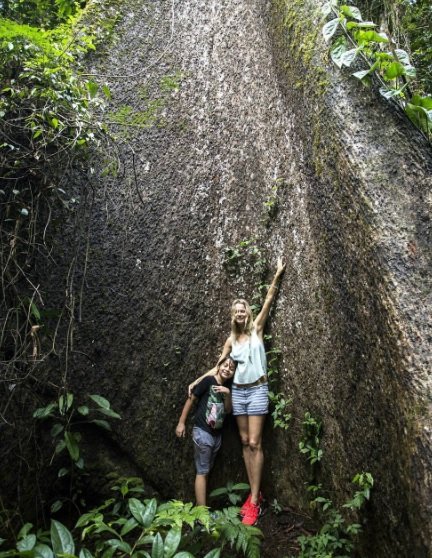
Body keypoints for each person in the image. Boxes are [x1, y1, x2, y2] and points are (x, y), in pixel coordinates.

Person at [188, 258, 285, 525]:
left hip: (256, 391)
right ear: (233, 315)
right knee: (244, 443)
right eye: (237, 310)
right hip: (238, 394)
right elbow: (217, 367)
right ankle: (256, 495)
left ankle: (254, 500)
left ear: (248, 313)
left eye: (243, 309)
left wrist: (276, 274)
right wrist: (196, 382)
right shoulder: (231, 340)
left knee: (255, 443)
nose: (240, 313)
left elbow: (268, 301)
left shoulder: (257, 331)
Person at [175, 356, 236, 506]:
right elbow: (191, 399)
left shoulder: (226, 388)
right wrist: (181, 422)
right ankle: (202, 515)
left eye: (231, 368)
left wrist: (227, 394)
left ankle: (201, 508)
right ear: (219, 365)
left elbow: (228, 410)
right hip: (203, 432)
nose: (227, 369)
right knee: (202, 472)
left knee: (206, 471)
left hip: (216, 436)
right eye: (225, 365)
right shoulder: (208, 381)